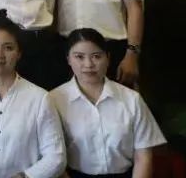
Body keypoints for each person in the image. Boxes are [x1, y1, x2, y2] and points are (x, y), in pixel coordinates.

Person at [0, 12, 65, 178]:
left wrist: (24, 177)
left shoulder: (40, 98)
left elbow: (56, 157)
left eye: (8, 47)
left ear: (19, 52)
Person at [49, 28, 166, 178]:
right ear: (68, 59)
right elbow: (53, 157)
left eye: (96, 56)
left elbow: (143, 156)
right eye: (79, 57)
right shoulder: (54, 100)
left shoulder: (132, 99)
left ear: (108, 58)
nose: (88, 64)